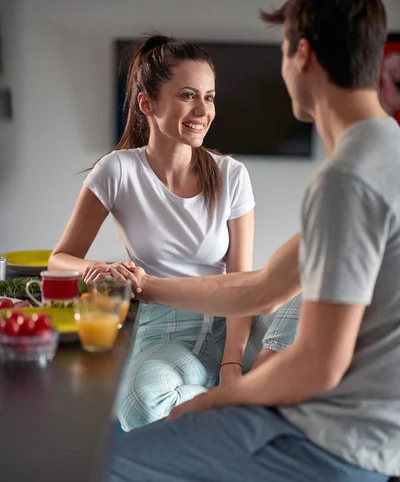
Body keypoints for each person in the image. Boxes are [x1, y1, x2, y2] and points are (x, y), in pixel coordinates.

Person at [90, 1, 400, 482]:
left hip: (336, 441)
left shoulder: (348, 179)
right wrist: (147, 284)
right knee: (147, 469)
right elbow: (257, 287)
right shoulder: (383, 155)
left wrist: (218, 399)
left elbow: (318, 364)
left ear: (300, 52)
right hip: (375, 433)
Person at [48, 34, 300, 431]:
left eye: (210, 97)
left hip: (235, 327)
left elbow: (242, 284)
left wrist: (232, 362)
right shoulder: (116, 171)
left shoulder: (231, 175)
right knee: (140, 401)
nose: (203, 110)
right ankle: (247, 405)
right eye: (188, 95)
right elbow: (59, 258)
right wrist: (93, 267)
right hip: (166, 333)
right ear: (147, 103)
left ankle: (245, 390)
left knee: (312, 286)